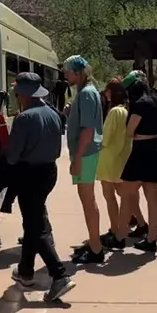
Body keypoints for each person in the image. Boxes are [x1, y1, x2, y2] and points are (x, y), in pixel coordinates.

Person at [6, 73, 75, 302]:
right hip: (48, 173)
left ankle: (59, 275)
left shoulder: (23, 119)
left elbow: (13, 156)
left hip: (29, 175)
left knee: (36, 227)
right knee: (33, 220)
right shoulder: (54, 114)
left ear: (23, 94)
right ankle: (25, 271)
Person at [120, 71, 157, 252]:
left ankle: (120, 235)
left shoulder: (139, 105)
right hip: (155, 149)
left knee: (126, 194)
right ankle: (151, 239)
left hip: (140, 151)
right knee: (152, 197)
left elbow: (129, 132)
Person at [62, 55, 108, 263]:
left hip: (86, 153)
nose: (65, 75)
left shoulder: (87, 94)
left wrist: (78, 158)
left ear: (78, 72)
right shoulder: (84, 93)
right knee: (87, 200)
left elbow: (88, 129)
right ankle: (93, 241)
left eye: (67, 71)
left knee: (88, 200)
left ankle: (96, 249)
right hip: (85, 152)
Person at [97, 76, 134, 250]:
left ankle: (115, 229)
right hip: (122, 157)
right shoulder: (126, 111)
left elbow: (105, 138)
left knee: (109, 197)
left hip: (108, 158)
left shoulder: (113, 112)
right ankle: (125, 228)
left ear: (111, 93)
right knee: (123, 195)